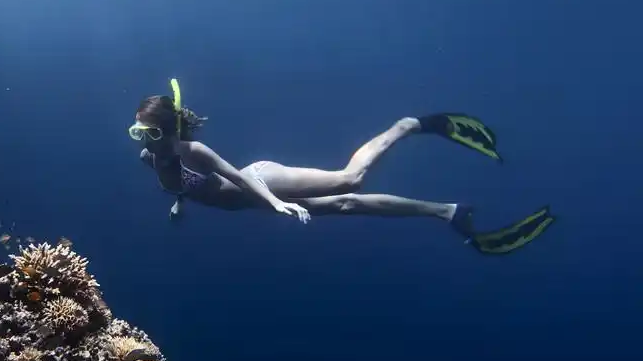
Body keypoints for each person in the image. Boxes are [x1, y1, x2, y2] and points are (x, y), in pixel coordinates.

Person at [129, 79, 554, 254]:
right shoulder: (152, 158)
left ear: (169, 132)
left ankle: (406, 126)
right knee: (348, 204)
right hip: (255, 202)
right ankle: (449, 212)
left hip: (261, 183)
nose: (143, 140)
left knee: (348, 180)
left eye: (148, 132)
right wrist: (180, 202)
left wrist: (275, 203)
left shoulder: (193, 151)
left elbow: (237, 177)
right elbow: (180, 185)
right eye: (138, 133)